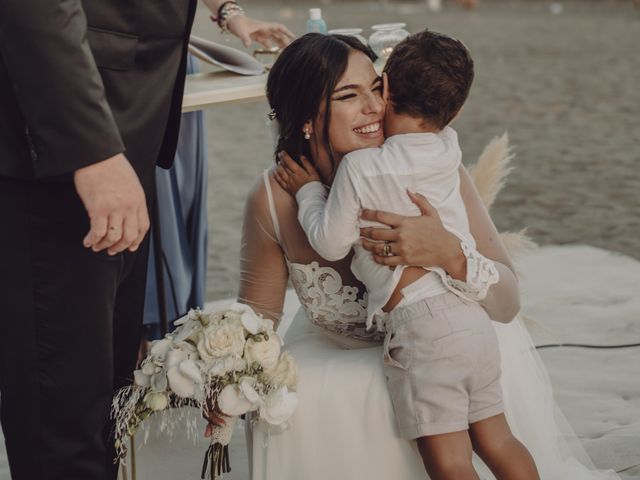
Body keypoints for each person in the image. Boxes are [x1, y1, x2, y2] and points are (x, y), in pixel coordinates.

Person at [208, 33, 618, 479]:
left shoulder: (428, 166)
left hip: (446, 345)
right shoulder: (274, 196)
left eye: (378, 87)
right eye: (350, 95)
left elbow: (508, 304)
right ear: (307, 116)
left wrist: (451, 254)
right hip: (371, 351)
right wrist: (226, 380)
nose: (375, 106)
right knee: (304, 394)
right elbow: (257, 318)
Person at [0, 1, 291, 480]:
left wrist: (227, 11)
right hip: (64, 152)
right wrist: (91, 151)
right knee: (63, 422)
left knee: (105, 407)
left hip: (127, 134)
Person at [273, 30, 538, 480]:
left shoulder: (360, 167)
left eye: (377, 87)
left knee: (449, 461)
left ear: (389, 90)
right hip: (471, 321)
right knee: (499, 439)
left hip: (423, 329)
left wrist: (309, 193)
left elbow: (331, 242)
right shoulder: (448, 148)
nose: (372, 104)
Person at [142, 5, 294, 340]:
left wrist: (231, 15)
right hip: (124, 63)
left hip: (173, 57)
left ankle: (170, 329)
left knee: (179, 204)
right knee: (149, 203)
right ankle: (144, 328)